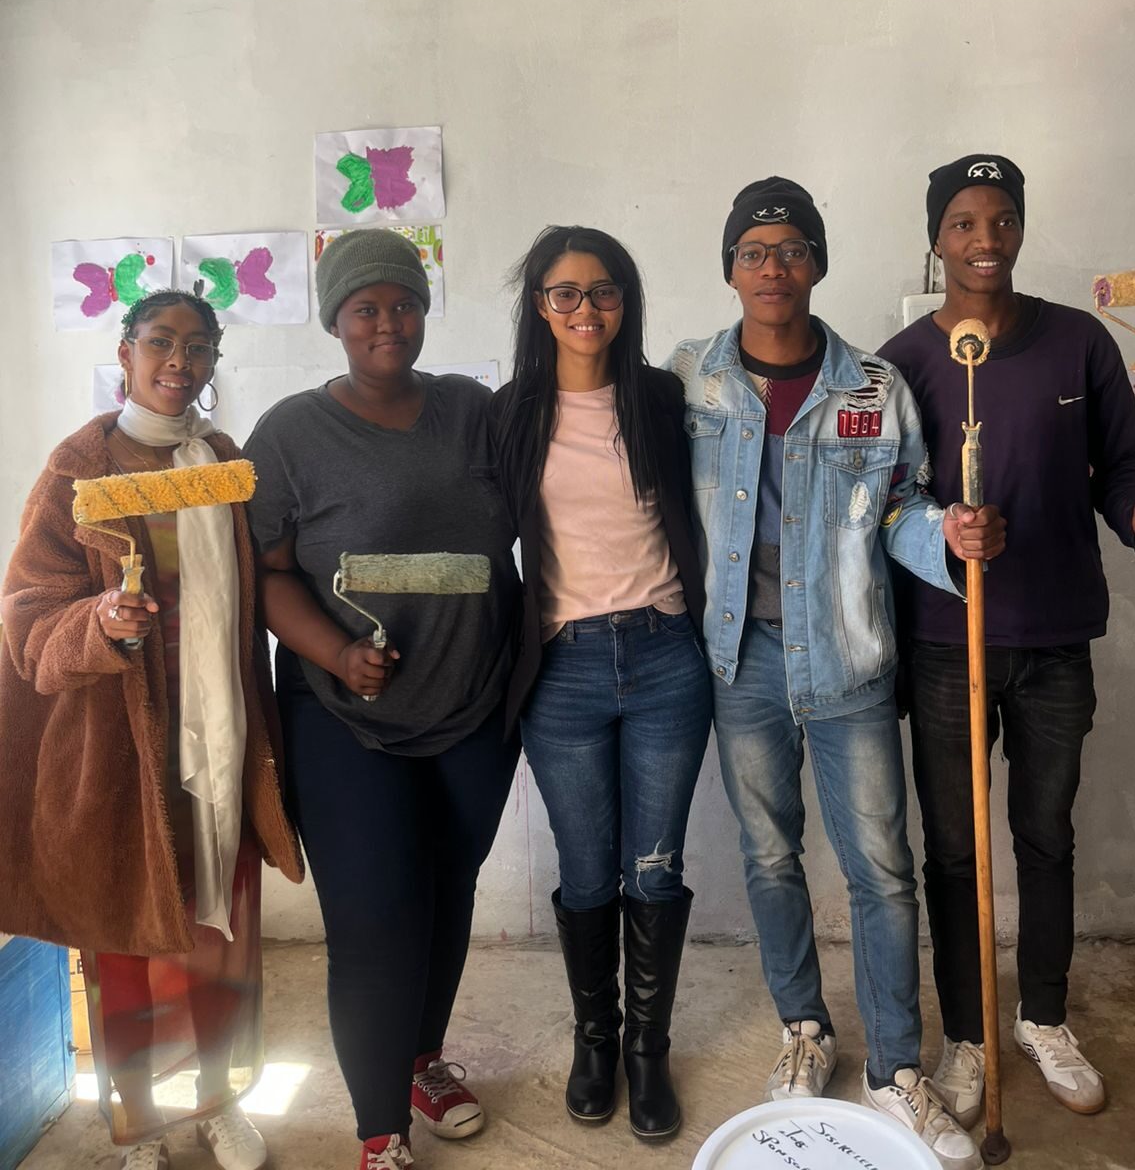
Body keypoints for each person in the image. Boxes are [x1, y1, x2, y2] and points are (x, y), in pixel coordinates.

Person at [667, 178, 1005, 1170]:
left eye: (792, 248)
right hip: (739, 660)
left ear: (818, 261)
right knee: (770, 856)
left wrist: (944, 530)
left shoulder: (871, 387)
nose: (773, 267)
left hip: (849, 654)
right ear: (730, 267)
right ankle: (805, 1029)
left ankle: (895, 1065)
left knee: (882, 872)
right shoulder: (689, 379)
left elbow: (901, 509)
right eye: (753, 251)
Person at [880, 153, 1135, 1124]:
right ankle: (970, 1034)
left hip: (1056, 634)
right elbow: (889, 501)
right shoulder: (902, 362)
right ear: (937, 238)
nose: (985, 240)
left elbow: (1111, 471)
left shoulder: (1081, 344)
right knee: (954, 848)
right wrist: (944, 534)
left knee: (1046, 834)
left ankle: (1043, 1016)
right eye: (964, 223)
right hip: (946, 641)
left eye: (1001, 219)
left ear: (1020, 228)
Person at [0, 289, 302, 1170]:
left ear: (213, 362)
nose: (180, 360)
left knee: (221, 931)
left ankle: (217, 1103)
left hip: (222, 733)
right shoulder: (76, 469)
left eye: (198, 346)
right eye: (160, 342)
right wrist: (101, 619)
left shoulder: (224, 462)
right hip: (119, 744)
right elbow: (25, 617)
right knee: (126, 936)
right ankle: (137, 1124)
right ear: (126, 350)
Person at [244, 229, 520, 1170]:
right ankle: (380, 1134)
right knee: (373, 918)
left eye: (402, 303)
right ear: (335, 320)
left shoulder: (472, 412)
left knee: (447, 896)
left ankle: (422, 1061)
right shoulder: (289, 433)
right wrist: (337, 651)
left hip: (474, 709)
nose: (387, 323)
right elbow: (269, 573)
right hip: (343, 719)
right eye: (366, 308)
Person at [493, 227, 711, 1142]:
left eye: (605, 290)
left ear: (627, 301)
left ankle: (646, 1053)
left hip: (666, 658)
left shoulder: (664, 398)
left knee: (653, 870)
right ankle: (596, 1039)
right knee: (586, 872)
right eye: (565, 292)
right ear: (538, 305)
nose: (587, 309)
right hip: (564, 670)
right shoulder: (509, 413)